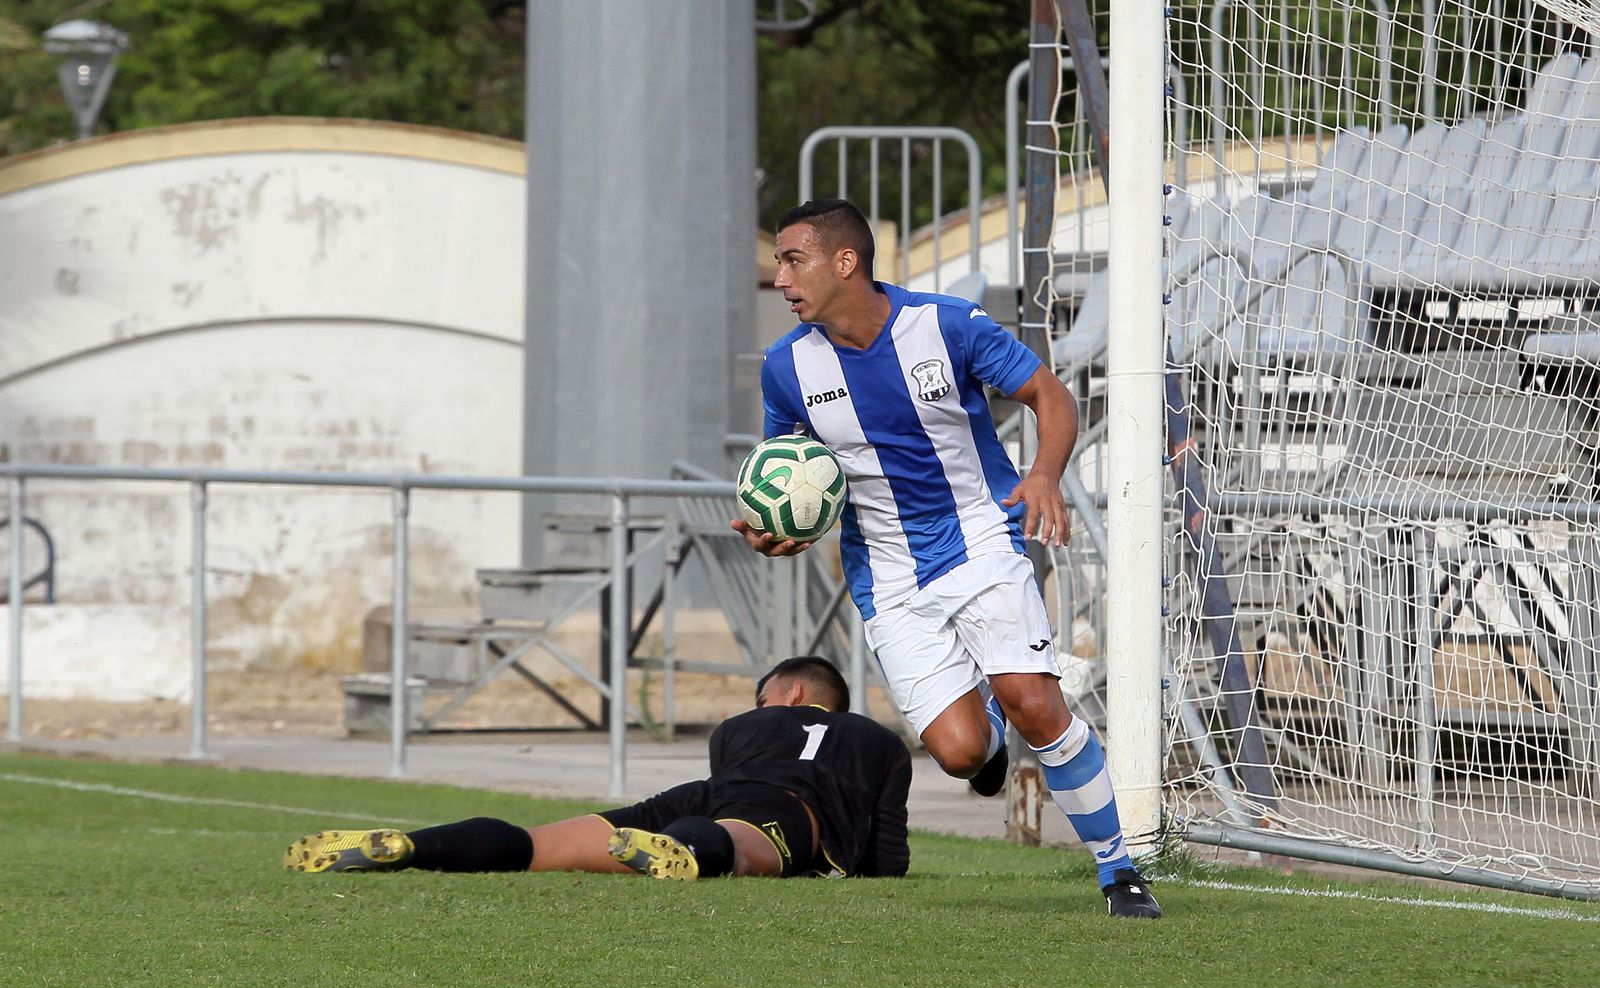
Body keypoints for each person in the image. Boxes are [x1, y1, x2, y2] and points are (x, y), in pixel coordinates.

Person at [731, 198, 1160, 918]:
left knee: (1036, 704)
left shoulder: (945, 326)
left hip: (979, 537)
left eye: (792, 259)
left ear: (847, 262)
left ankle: (1120, 872)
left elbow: (1047, 394)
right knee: (962, 753)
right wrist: (785, 528)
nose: (780, 278)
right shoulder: (786, 368)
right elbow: (791, 469)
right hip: (887, 573)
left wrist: (1045, 475)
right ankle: (996, 709)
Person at [283, 656, 911, 880]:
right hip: (788, 811)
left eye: (763, 693)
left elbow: (727, 783)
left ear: (793, 694)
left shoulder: (740, 728)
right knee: (742, 842)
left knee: (540, 844)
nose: (759, 704)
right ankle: (686, 855)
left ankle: (416, 846)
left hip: (710, 793)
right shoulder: (880, 742)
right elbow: (887, 854)